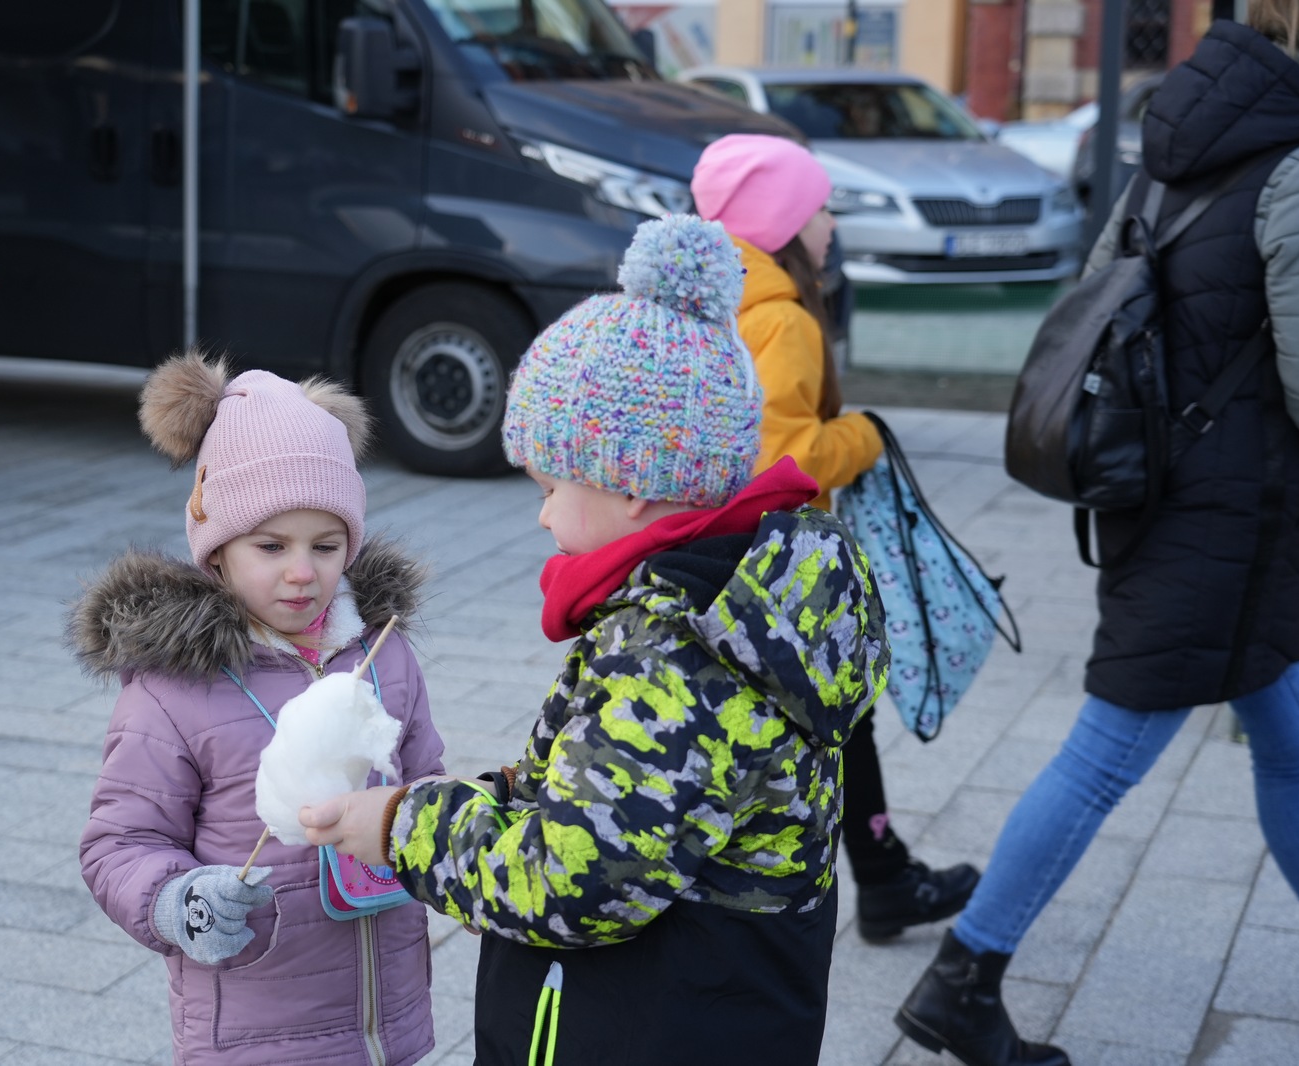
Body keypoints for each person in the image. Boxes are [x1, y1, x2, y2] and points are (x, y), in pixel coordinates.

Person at [296, 214, 891, 1065]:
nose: (539, 513)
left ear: (632, 489)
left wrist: (402, 826)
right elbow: (619, 796)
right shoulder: (724, 602)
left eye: (548, 482)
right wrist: (498, 797)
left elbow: (575, 880)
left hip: (642, 1026)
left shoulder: (683, 653)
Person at [892, 11, 1299, 1066]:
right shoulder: (1292, 165)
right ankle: (964, 979)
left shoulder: (1179, 141)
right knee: (1110, 750)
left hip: (1159, 491)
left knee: (1288, 733)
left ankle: (966, 976)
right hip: (1228, 518)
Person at [71, 357, 445, 1066]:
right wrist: (176, 902)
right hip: (255, 1030)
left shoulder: (384, 655)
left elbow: (425, 778)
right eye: (270, 547)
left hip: (385, 1018)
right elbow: (117, 844)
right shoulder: (171, 688)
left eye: (325, 545)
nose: (301, 570)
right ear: (217, 555)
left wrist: (451, 841)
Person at [691, 132, 982, 943]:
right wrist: (861, 435)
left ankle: (882, 875)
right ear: (780, 218)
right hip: (774, 556)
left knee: (826, 719)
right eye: (821, 206)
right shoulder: (782, 318)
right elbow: (783, 457)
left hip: (713, 550)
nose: (830, 223)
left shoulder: (713, 297)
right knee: (836, 719)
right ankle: (879, 878)